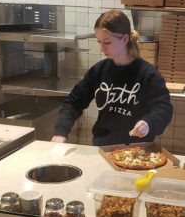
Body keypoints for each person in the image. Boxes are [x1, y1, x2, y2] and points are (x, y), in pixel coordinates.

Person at [51, 10, 173, 146]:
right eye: (99, 42)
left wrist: (148, 122)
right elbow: (73, 102)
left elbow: (163, 109)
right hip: (103, 148)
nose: (101, 49)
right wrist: (60, 132)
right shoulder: (98, 71)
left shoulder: (148, 75)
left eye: (107, 42)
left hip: (137, 151)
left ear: (125, 39)